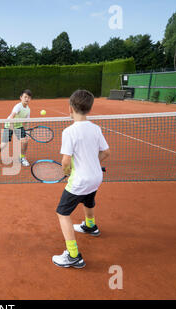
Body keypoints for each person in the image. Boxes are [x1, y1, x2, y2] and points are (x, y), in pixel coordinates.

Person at [52, 89, 110, 268]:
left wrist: (67, 172)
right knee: (88, 200)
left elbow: (66, 160)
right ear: (89, 109)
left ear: (70, 109)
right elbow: (106, 152)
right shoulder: (96, 128)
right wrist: (92, 162)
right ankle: (90, 226)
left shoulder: (69, 132)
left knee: (62, 213)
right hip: (96, 177)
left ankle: (73, 255)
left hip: (80, 180)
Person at [0, 89, 32, 166]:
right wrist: (12, 128)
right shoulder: (18, 106)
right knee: (4, 144)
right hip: (9, 125)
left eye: (28, 98)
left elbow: (26, 122)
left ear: (30, 99)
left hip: (18, 126)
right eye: (25, 97)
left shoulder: (28, 110)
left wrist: (27, 132)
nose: (27, 99)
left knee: (25, 141)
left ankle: (22, 158)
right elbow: (12, 116)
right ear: (21, 98)